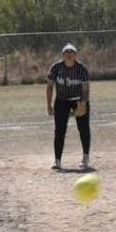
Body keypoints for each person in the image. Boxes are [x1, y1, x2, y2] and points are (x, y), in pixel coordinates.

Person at [46, 42, 93, 171]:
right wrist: (49, 105)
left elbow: (86, 88)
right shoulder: (56, 68)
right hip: (61, 101)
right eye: (66, 52)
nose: (69, 54)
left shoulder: (81, 69)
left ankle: (85, 158)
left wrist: (83, 103)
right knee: (59, 131)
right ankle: (57, 161)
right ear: (63, 55)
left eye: (71, 52)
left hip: (78, 100)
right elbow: (50, 86)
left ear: (76, 55)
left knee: (83, 128)